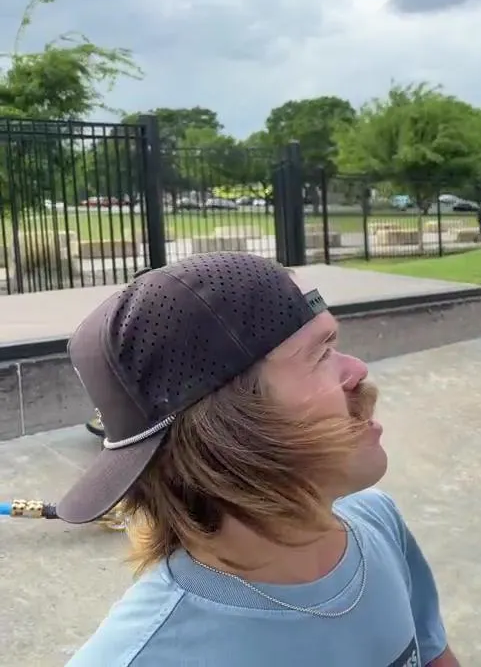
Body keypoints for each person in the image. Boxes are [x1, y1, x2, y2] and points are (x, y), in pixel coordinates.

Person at [61, 252, 460, 667]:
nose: (357, 369)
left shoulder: (378, 522)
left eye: (334, 345)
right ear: (230, 433)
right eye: (320, 355)